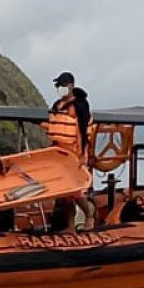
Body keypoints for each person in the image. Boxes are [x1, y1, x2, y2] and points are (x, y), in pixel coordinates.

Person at [49, 73, 97, 231]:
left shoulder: (81, 105)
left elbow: (83, 131)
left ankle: (89, 213)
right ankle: (70, 225)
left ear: (71, 86)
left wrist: (84, 154)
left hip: (74, 152)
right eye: (58, 86)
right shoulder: (57, 105)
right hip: (59, 152)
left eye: (62, 85)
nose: (59, 89)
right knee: (65, 194)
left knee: (75, 191)